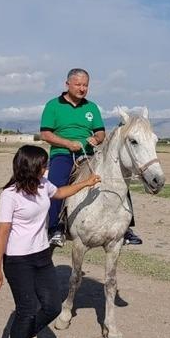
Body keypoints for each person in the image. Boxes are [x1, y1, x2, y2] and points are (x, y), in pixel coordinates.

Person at [0, 145, 101, 338]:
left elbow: (59, 192)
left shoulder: (43, 185)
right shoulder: (10, 195)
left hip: (41, 256)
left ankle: (27, 336)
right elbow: (2, 234)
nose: (47, 168)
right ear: (30, 167)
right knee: (27, 309)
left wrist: (87, 183)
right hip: (18, 260)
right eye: (43, 164)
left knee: (52, 307)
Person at [39, 68, 143, 247]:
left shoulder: (91, 107)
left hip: (89, 153)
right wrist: (68, 143)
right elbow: (45, 134)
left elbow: (101, 133)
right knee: (56, 184)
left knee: (117, 179)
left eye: (85, 85)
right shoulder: (53, 105)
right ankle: (55, 228)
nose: (82, 88)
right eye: (78, 84)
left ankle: (125, 228)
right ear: (67, 84)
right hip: (62, 154)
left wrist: (96, 139)